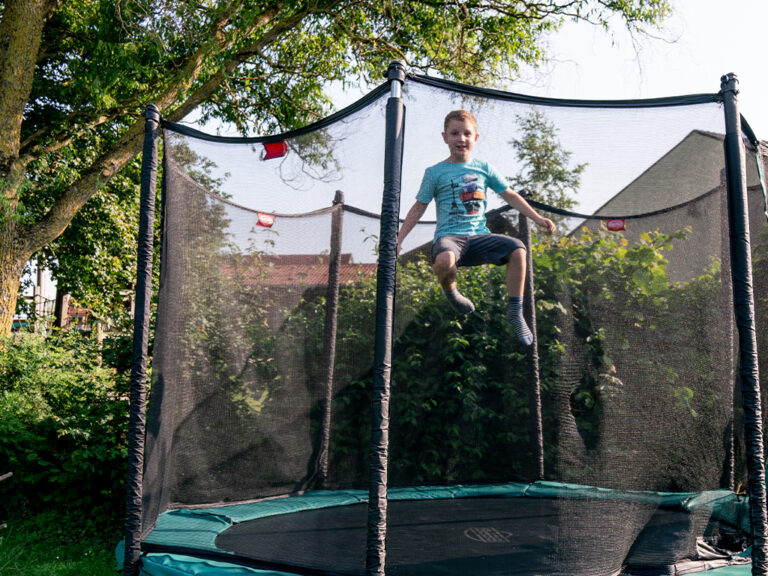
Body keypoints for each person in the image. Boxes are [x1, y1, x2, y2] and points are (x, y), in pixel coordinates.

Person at [396, 109, 556, 346]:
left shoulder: (484, 168)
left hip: (479, 237)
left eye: (467, 134)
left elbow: (510, 196)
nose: (461, 138)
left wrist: (537, 218)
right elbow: (419, 207)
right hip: (450, 237)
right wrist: (398, 240)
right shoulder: (435, 172)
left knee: (518, 249)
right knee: (442, 262)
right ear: (445, 137)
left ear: (475, 138)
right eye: (455, 133)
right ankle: (453, 295)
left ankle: (515, 311)